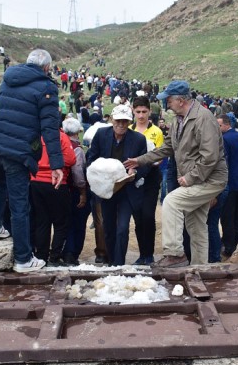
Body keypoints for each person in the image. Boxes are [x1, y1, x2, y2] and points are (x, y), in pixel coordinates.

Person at [124, 80, 227, 267]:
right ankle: (199, 268)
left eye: (169, 100)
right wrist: (140, 160)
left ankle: (174, 254)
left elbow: (210, 156)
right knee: (196, 226)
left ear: (180, 100)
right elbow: (167, 148)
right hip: (196, 179)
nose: (167, 104)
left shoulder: (204, 118)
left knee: (171, 202)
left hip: (210, 179)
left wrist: (190, 177)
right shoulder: (178, 120)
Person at [0, 49, 63, 273]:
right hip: (17, 151)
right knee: (20, 206)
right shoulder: (46, 87)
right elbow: (50, 129)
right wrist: (56, 165)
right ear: (47, 68)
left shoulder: (9, 79)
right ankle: (24, 259)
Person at [87, 104, 148, 266]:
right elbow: (91, 159)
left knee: (122, 228)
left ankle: (119, 264)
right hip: (106, 189)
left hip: (127, 191)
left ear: (129, 122)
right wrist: (100, 172)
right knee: (108, 228)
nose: (121, 124)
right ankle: (111, 262)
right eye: (118, 121)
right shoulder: (101, 135)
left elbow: (145, 165)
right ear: (112, 120)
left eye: (125, 121)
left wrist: (135, 172)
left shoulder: (138, 139)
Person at [29, 125, 76, 266]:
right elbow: (71, 159)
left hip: (36, 182)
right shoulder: (61, 136)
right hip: (57, 182)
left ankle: (41, 256)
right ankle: (54, 257)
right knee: (61, 222)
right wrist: (53, 162)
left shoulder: (36, 135)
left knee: (42, 221)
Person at [130, 97, 164, 265]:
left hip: (151, 176)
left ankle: (149, 254)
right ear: (133, 111)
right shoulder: (129, 129)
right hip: (132, 177)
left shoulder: (156, 131)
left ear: (150, 111)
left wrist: (146, 161)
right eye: (138, 112)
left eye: (144, 112)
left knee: (148, 215)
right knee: (138, 217)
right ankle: (142, 253)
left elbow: (160, 156)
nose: (141, 115)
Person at [217, 114, 238, 257]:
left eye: (219, 125)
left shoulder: (224, 139)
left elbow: (225, 162)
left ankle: (229, 246)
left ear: (226, 124)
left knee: (227, 216)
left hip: (230, 182)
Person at [61, 118, 90, 265]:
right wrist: (83, 192)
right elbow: (77, 172)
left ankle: (61, 251)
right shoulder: (76, 149)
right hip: (74, 190)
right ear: (78, 132)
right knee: (77, 223)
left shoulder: (59, 145)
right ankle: (71, 253)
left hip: (60, 188)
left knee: (64, 222)